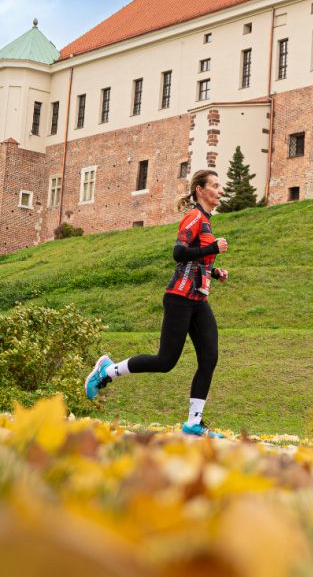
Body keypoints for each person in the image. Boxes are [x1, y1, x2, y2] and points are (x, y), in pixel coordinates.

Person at [86, 169, 229, 437]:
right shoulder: (193, 217)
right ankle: (108, 371)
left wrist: (214, 271)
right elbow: (179, 253)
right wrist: (213, 249)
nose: (220, 190)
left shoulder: (207, 221)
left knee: (209, 357)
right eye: (215, 185)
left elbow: (195, 261)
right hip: (179, 298)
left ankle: (194, 422)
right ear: (200, 190)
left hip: (198, 299)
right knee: (165, 361)